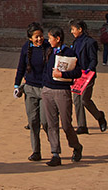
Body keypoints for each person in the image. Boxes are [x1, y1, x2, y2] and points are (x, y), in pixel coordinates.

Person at [40, 26, 83, 167]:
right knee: (51, 124)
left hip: (62, 91)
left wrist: (63, 75)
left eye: (51, 38)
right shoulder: (48, 51)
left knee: (65, 124)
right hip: (47, 90)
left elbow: (78, 72)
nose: (48, 40)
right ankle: (55, 153)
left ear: (57, 39)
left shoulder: (69, 52)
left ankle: (76, 146)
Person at [14, 22, 50, 162]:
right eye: (36, 37)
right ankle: (36, 151)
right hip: (30, 88)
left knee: (46, 121)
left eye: (41, 36)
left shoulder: (48, 47)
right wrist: (17, 85)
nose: (39, 39)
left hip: (46, 88)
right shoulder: (26, 48)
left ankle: (54, 146)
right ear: (30, 38)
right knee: (33, 121)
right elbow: (21, 67)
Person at [69, 20, 107, 134]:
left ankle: (99, 116)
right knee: (76, 101)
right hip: (77, 75)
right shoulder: (75, 42)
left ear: (80, 29)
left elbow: (93, 59)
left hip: (87, 76)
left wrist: (89, 69)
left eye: (73, 29)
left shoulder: (90, 42)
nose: (72, 32)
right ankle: (82, 126)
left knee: (85, 99)